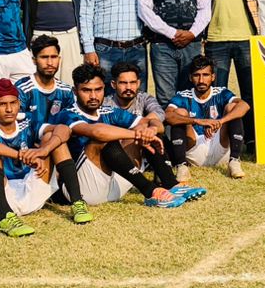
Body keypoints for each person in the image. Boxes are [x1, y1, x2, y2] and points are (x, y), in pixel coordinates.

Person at [56, 64, 189, 209]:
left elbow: (156, 124)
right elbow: (97, 132)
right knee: (103, 139)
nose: (93, 96)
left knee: (147, 133)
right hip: (84, 189)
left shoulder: (109, 111)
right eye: (86, 91)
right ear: (75, 91)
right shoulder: (67, 114)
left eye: (98, 90)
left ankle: (171, 185)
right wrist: (137, 134)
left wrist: (150, 130)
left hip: (113, 186)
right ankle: (151, 191)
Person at [0, 77, 90, 236]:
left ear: (18, 103)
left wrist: (43, 151)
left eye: (13, 103)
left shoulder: (27, 122)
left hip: (30, 193)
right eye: (2, 104)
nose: (9, 109)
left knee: (53, 139)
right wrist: (20, 155)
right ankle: (5, 218)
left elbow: (63, 129)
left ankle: (77, 202)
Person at [196, 0, 259, 155]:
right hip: (215, 38)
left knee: (250, 93)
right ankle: (219, 143)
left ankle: (251, 140)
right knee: (217, 94)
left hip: (246, 37)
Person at [164, 56, 251, 181]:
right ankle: (182, 166)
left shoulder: (221, 92)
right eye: (196, 75)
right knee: (179, 113)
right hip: (194, 149)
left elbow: (245, 106)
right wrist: (197, 121)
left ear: (213, 77)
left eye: (205, 75)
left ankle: (234, 161)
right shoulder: (183, 95)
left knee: (233, 107)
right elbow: (167, 116)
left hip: (220, 145)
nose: (201, 80)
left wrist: (220, 122)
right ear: (190, 77)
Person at [16, 34, 77, 135]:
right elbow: (17, 125)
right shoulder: (22, 89)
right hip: (28, 145)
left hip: (57, 140)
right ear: (34, 60)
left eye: (54, 57)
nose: (50, 62)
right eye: (44, 57)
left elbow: (71, 121)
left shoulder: (66, 91)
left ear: (59, 59)